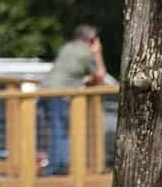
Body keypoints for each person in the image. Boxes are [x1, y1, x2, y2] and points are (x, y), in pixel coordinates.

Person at [37, 25, 109, 175]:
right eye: (95, 39)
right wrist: (98, 53)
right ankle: (54, 169)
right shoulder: (85, 53)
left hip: (45, 90)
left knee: (57, 130)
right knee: (60, 130)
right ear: (89, 40)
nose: (97, 42)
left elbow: (71, 72)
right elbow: (101, 76)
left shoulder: (67, 47)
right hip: (59, 94)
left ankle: (59, 165)